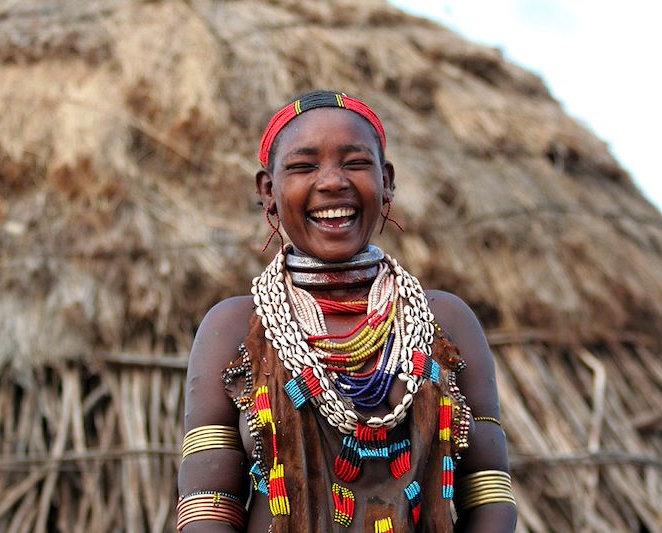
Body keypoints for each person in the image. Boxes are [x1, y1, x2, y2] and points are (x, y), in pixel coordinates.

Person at [177, 90, 517, 532]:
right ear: (269, 191)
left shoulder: (445, 321)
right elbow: (208, 503)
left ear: (387, 180)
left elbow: (489, 491)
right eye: (303, 166)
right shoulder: (234, 327)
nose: (332, 181)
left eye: (355, 163)